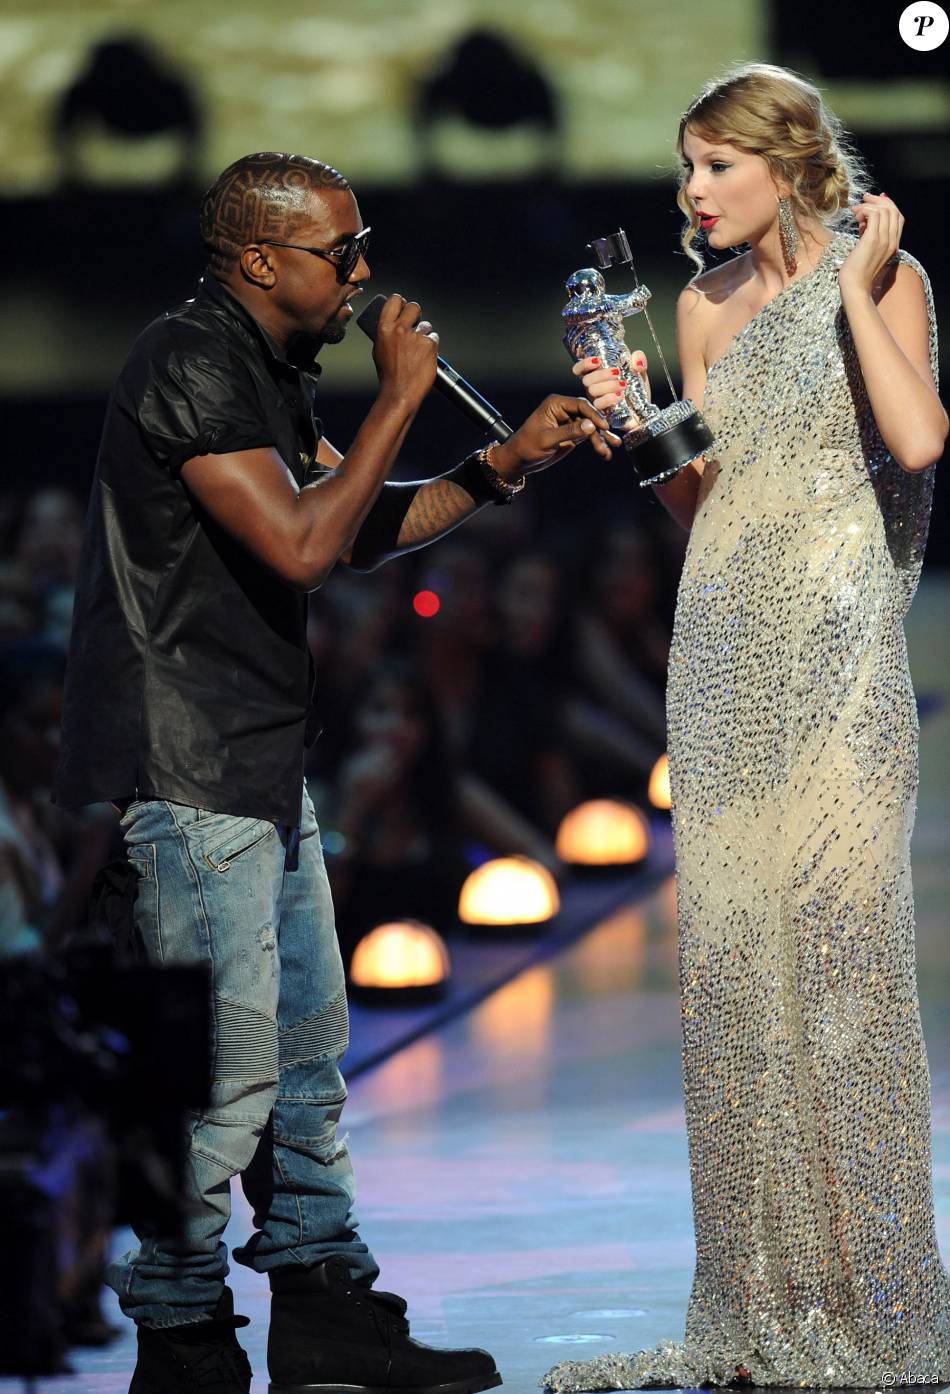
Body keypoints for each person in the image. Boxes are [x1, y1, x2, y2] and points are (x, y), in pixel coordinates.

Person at [52, 149, 614, 1394]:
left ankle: (325, 1310)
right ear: (260, 259)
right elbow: (305, 545)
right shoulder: (188, 359)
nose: (363, 273)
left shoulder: (260, 366)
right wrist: (401, 396)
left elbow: (351, 526)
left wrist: (501, 464)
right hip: (184, 766)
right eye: (339, 252)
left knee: (305, 1057)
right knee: (215, 1077)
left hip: (252, 760)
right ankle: (183, 1338)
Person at [545, 63, 950, 1391]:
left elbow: (918, 435)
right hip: (721, 641)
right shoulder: (699, 304)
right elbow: (702, 504)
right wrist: (642, 438)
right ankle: (761, 1302)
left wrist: (845, 287)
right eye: (683, 168)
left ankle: (876, 1307)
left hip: (839, 648)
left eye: (716, 164)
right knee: (733, 969)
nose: (693, 191)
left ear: (785, 161)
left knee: (841, 959)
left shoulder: (880, 269)